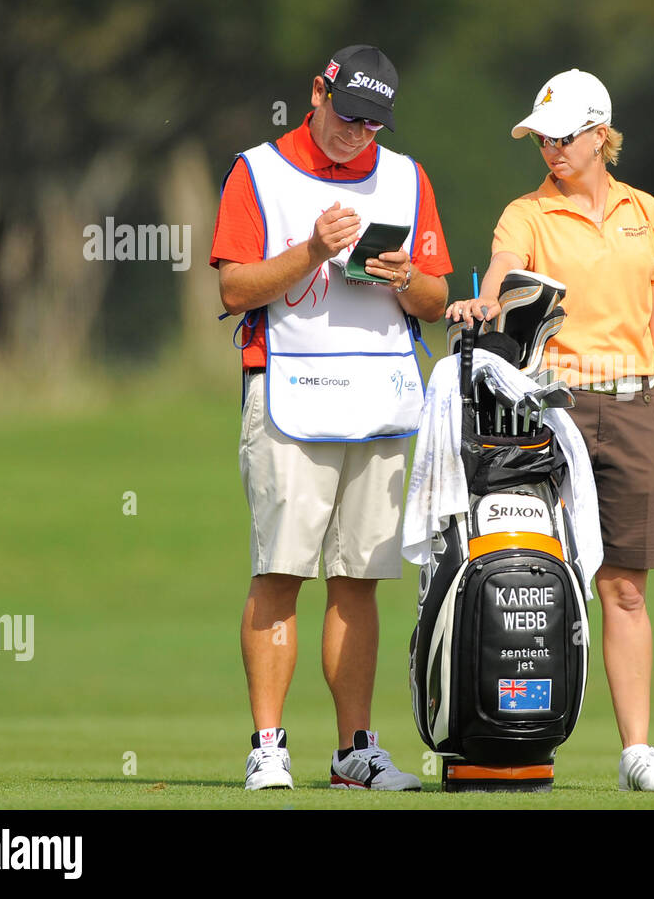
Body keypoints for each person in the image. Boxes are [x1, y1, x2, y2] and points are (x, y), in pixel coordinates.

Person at [447, 69, 654, 792]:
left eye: (562, 137)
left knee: (624, 586)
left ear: (599, 136)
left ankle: (637, 752)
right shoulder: (526, 213)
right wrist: (485, 299)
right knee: (528, 572)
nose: (550, 149)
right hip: (548, 410)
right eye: (542, 139)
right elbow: (503, 269)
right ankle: (512, 733)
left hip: (631, 407)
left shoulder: (646, 213)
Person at [210, 44, 451, 791]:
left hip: (378, 403)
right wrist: (313, 249)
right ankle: (269, 746)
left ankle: (355, 751)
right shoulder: (257, 171)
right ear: (317, 92)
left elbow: (440, 299)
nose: (358, 136)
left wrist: (405, 277)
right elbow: (235, 287)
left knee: (359, 581)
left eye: (372, 125)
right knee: (280, 573)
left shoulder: (406, 177)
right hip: (289, 392)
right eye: (348, 118)